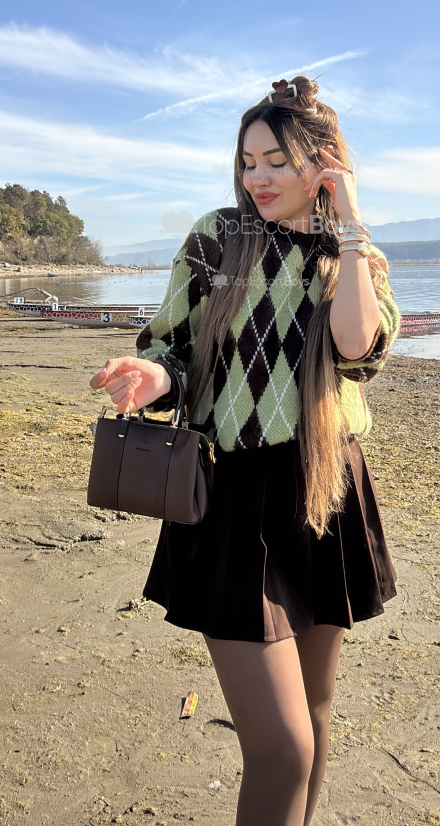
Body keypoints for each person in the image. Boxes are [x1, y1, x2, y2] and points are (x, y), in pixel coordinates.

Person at [90, 75, 401, 826]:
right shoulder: (216, 238)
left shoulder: (351, 254)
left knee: (315, 717)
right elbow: (173, 346)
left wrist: (348, 222)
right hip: (231, 497)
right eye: (248, 161)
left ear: (323, 165)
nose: (257, 177)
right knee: (284, 747)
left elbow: (358, 349)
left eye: (276, 162)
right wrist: (154, 376)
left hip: (324, 490)